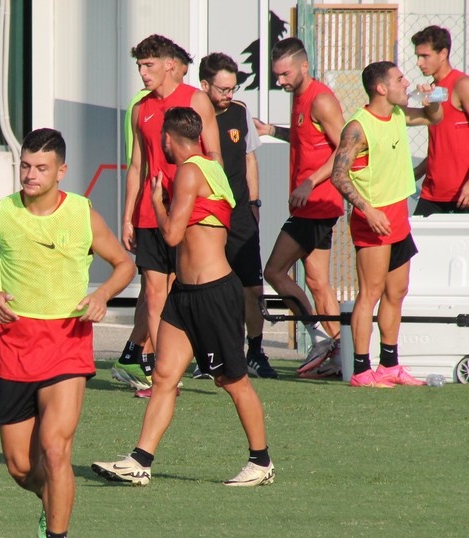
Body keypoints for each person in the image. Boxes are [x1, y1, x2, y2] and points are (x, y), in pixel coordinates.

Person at [0, 128, 135, 538]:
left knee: (56, 450)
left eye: (41, 168)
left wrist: (102, 296)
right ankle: (50, 501)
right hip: (15, 348)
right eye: (25, 165)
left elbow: (125, 264)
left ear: (61, 172)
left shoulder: (81, 213)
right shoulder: (0, 213)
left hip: (67, 343)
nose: (30, 175)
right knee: (21, 467)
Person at [93, 107, 273, 487]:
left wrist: (156, 201)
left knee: (233, 382)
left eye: (161, 138)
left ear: (168, 138)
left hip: (213, 293)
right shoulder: (209, 168)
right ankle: (140, 461)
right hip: (184, 294)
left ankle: (261, 462)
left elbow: (172, 235)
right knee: (163, 376)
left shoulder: (191, 171)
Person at [112, 36, 221, 398]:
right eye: (140, 66)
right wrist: (127, 217)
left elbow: (214, 156)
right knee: (154, 294)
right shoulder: (140, 108)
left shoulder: (196, 100)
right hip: (149, 214)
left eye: (149, 65)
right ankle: (164, 379)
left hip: (189, 213)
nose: (143, 73)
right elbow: (137, 167)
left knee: (193, 291)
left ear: (170, 64)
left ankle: (218, 360)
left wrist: (215, 206)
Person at [330, 62, 442, 387]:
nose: (406, 82)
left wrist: (433, 97)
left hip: (398, 216)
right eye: (399, 79)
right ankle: (361, 371)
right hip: (373, 220)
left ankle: (389, 366)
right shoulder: (358, 127)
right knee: (371, 293)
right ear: (381, 88)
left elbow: (434, 117)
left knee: (397, 291)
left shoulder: (398, 114)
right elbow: (339, 175)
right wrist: (368, 210)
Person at [253, 37, 345, 379]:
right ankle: (340, 353)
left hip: (317, 204)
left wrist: (310, 182)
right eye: (277, 75)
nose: (280, 81)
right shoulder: (299, 97)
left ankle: (319, 338)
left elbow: (346, 148)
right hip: (309, 205)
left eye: (285, 74)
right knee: (317, 282)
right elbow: (306, 137)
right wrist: (271, 130)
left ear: (304, 66)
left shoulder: (321, 99)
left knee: (274, 272)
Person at [199, 52, 278, 379]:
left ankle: (255, 352)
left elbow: (248, 159)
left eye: (233, 88)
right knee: (208, 287)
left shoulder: (240, 111)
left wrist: (254, 204)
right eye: (223, 89)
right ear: (205, 85)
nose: (229, 95)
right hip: (206, 214)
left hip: (241, 214)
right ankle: (209, 355)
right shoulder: (192, 115)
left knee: (252, 287)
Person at [410, 25, 469, 216]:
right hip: (432, 193)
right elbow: (442, 145)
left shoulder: (462, 85)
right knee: (415, 236)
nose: (419, 62)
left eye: (425, 56)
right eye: (417, 56)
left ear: (443, 54)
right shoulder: (432, 90)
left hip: (462, 194)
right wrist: (415, 173)